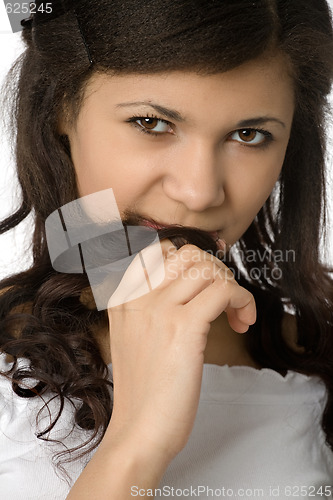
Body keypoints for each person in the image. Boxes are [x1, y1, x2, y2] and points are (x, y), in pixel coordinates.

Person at [0, 0, 333, 498]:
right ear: (62, 109)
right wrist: (137, 444)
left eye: (249, 134)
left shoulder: (316, 363)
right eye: (152, 123)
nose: (199, 192)